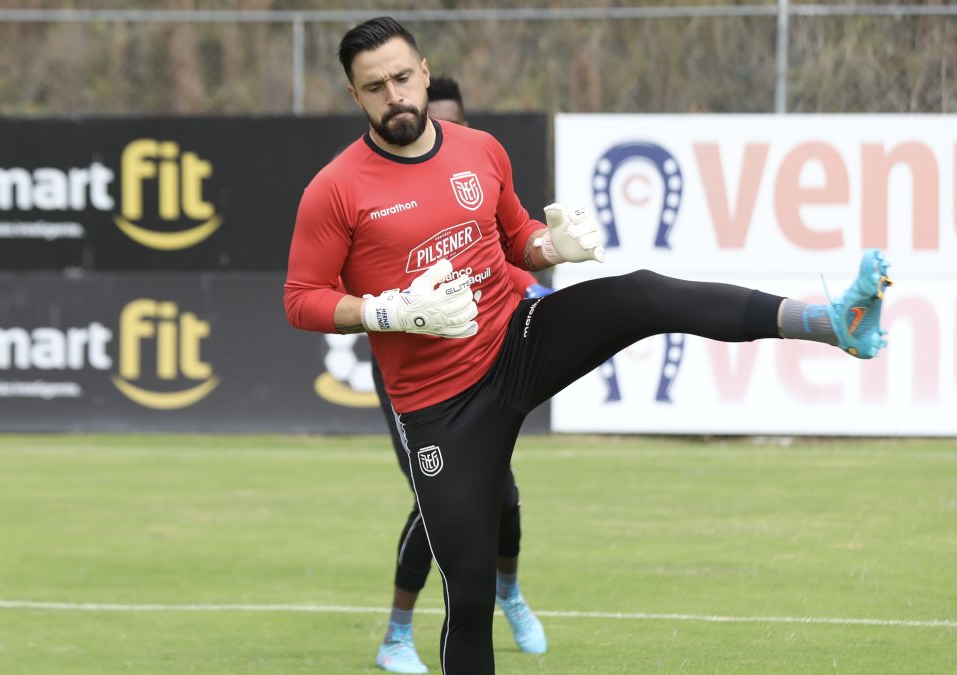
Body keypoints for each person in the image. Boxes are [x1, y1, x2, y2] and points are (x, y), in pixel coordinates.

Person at [284, 17, 892, 675]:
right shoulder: (335, 188)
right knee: (469, 593)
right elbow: (301, 298)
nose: (393, 96)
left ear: (425, 72)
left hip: (515, 341)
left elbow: (515, 234)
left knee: (643, 293)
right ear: (355, 96)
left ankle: (832, 321)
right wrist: (388, 309)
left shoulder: (479, 149)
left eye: (402, 78)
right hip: (440, 409)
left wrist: (553, 248)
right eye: (374, 87)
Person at [370, 74, 550, 675]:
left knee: (503, 495)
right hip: (419, 378)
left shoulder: (474, 169)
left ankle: (510, 594)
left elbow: (507, 250)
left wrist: (538, 281)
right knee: (441, 503)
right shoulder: (381, 188)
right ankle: (396, 635)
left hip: (480, 361)